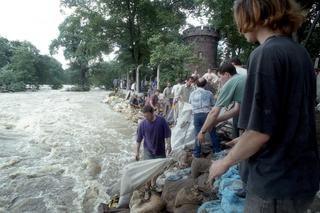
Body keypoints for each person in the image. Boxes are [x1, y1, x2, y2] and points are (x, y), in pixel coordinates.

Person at [208, 0, 320, 212]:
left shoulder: (264, 54)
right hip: (303, 178)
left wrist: (224, 163)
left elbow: (260, 133)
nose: (239, 28)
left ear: (251, 14)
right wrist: (243, 139)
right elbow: (287, 116)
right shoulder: (301, 53)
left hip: (274, 184)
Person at [198, 63, 246, 143]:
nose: (219, 80)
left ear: (227, 74)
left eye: (220, 77)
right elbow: (236, 110)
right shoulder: (242, 78)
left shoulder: (230, 83)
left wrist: (202, 132)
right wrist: (216, 121)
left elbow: (214, 112)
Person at [189, 77, 219, 157]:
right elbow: (213, 104)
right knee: (213, 133)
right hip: (207, 115)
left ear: (196, 84)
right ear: (205, 84)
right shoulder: (209, 93)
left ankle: (197, 154)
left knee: (198, 134)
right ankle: (218, 151)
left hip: (196, 115)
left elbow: (190, 103)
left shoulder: (192, 93)